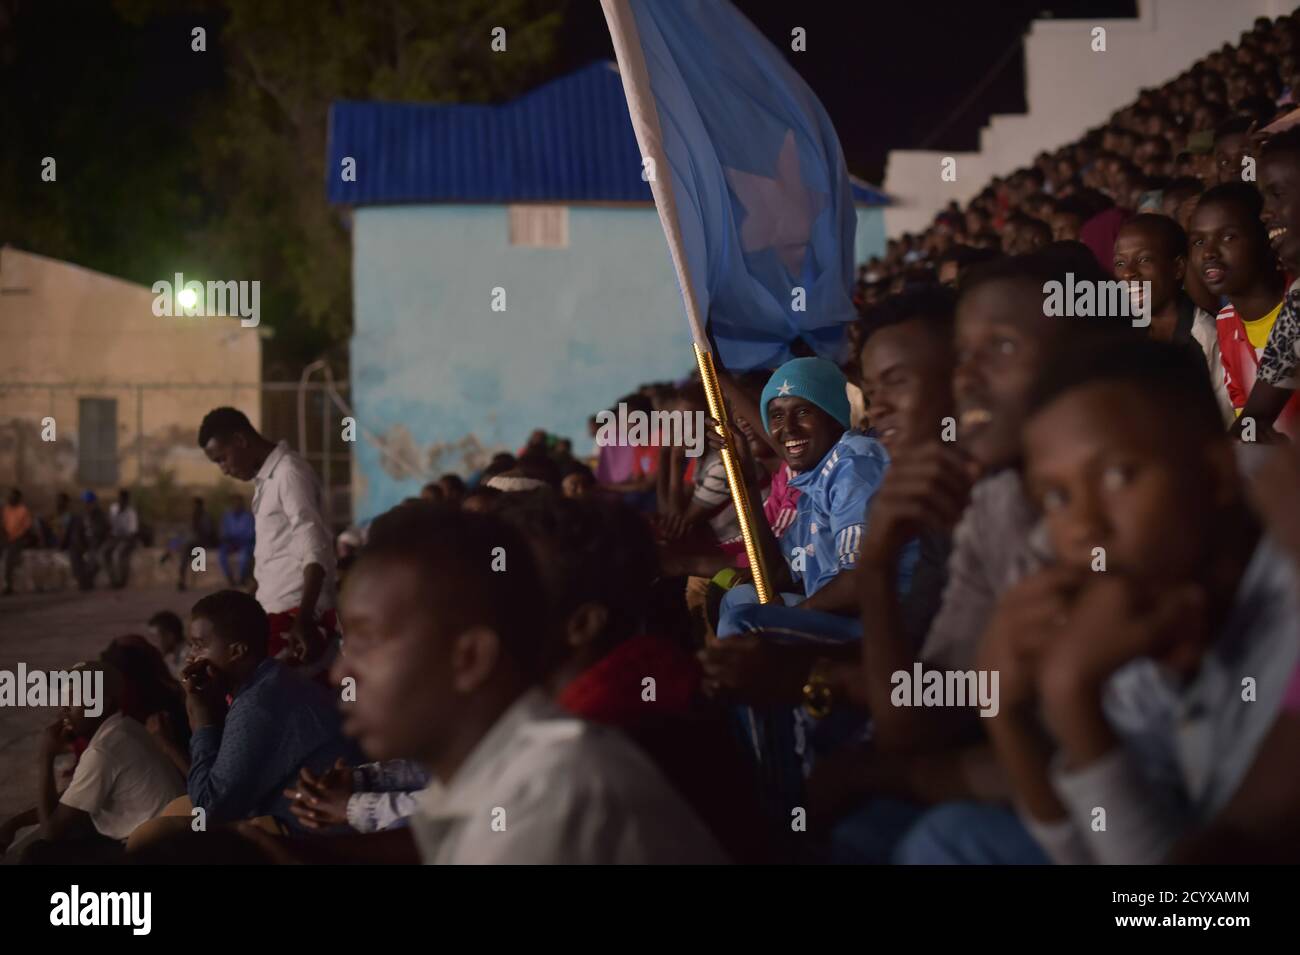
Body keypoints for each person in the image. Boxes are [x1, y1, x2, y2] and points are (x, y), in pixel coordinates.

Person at [976, 338, 1298, 865]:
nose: (1084, 527)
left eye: (1118, 476)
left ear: (1217, 475)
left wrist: (1068, 694)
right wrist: (1006, 716)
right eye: (1056, 498)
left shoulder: (1288, 582)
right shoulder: (1145, 602)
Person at [306, 502, 727, 864]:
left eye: (369, 641)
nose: (340, 673)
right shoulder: (499, 758)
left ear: (471, 657)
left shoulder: (558, 788)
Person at [126, 590, 359, 852]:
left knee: (152, 837)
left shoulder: (258, 704)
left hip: (310, 834)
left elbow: (209, 809)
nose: (191, 656)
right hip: (288, 811)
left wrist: (201, 720)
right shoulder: (269, 678)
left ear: (236, 651)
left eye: (199, 645)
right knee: (173, 811)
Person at [197, 408, 336, 668]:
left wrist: (303, 619)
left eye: (222, 459)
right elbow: (277, 556)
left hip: (295, 612)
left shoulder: (289, 473)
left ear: (240, 440)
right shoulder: (266, 481)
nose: (224, 470)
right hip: (272, 608)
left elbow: (315, 548)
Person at [12, 661, 184, 864]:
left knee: (38, 854)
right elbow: (73, 799)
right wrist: (16, 823)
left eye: (74, 699)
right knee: (76, 826)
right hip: (171, 837)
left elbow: (50, 832)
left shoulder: (102, 751)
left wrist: (46, 757)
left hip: (152, 851)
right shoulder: (125, 727)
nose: (64, 710)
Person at [1189, 184, 1298, 437]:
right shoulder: (1226, 323)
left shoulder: (1296, 301)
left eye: (1228, 237)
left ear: (1266, 237)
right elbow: (1248, 422)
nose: (1208, 253)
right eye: (1198, 241)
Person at [1111, 213, 1233, 421]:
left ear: (1177, 268)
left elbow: (1226, 422)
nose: (1128, 273)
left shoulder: (1207, 337)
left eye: (1144, 259)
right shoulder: (1120, 332)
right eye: (1120, 263)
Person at [68, 491, 110, 591]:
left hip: (96, 544)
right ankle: (82, 581)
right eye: (85, 503)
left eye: (89, 503)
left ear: (94, 503)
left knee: (95, 558)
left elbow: (103, 532)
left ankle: (87, 582)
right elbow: (76, 533)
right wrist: (81, 545)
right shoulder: (79, 516)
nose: (87, 505)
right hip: (84, 543)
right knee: (74, 554)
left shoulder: (100, 515)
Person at [103, 488, 139, 589]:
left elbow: (132, 533)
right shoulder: (113, 509)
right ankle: (113, 580)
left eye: (123, 500)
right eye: (120, 499)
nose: (121, 502)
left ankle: (122, 581)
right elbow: (109, 526)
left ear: (127, 501)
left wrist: (121, 538)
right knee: (104, 552)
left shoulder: (131, 513)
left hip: (127, 539)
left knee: (119, 552)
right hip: (115, 538)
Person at [178, 496, 217, 591]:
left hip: (202, 541)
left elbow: (208, 532)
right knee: (183, 550)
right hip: (193, 542)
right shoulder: (193, 517)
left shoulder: (205, 517)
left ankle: (184, 580)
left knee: (187, 548)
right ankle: (182, 580)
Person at [2, 488, 36, 595]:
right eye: (10, 496)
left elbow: (27, 528)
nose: (10, 498)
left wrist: (18, 539)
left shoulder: (23, 510)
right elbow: (4, 525)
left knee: (10, 560)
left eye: (13, 496)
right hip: (7, 539)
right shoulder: (6, 509)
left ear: (18, 498)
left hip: (18, 539)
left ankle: (9, 586)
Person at [217, 495, 255, 587]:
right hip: (231, 543)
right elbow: (223, 532)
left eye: (238, 503)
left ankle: (241, 579)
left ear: (242, 504)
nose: (236, 505)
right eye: (234, 503)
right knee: (221, 555)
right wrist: (227, 538)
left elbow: (250, 534)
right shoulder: (227, 517)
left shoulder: (248, 517)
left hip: (244, 544)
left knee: (244, 557)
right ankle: (230, 578)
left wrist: (238, 538)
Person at [147, 610, 188, 679]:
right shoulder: (170, 659)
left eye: (155, 639)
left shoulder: (189, 657)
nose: (152, 644)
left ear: (170, 637)